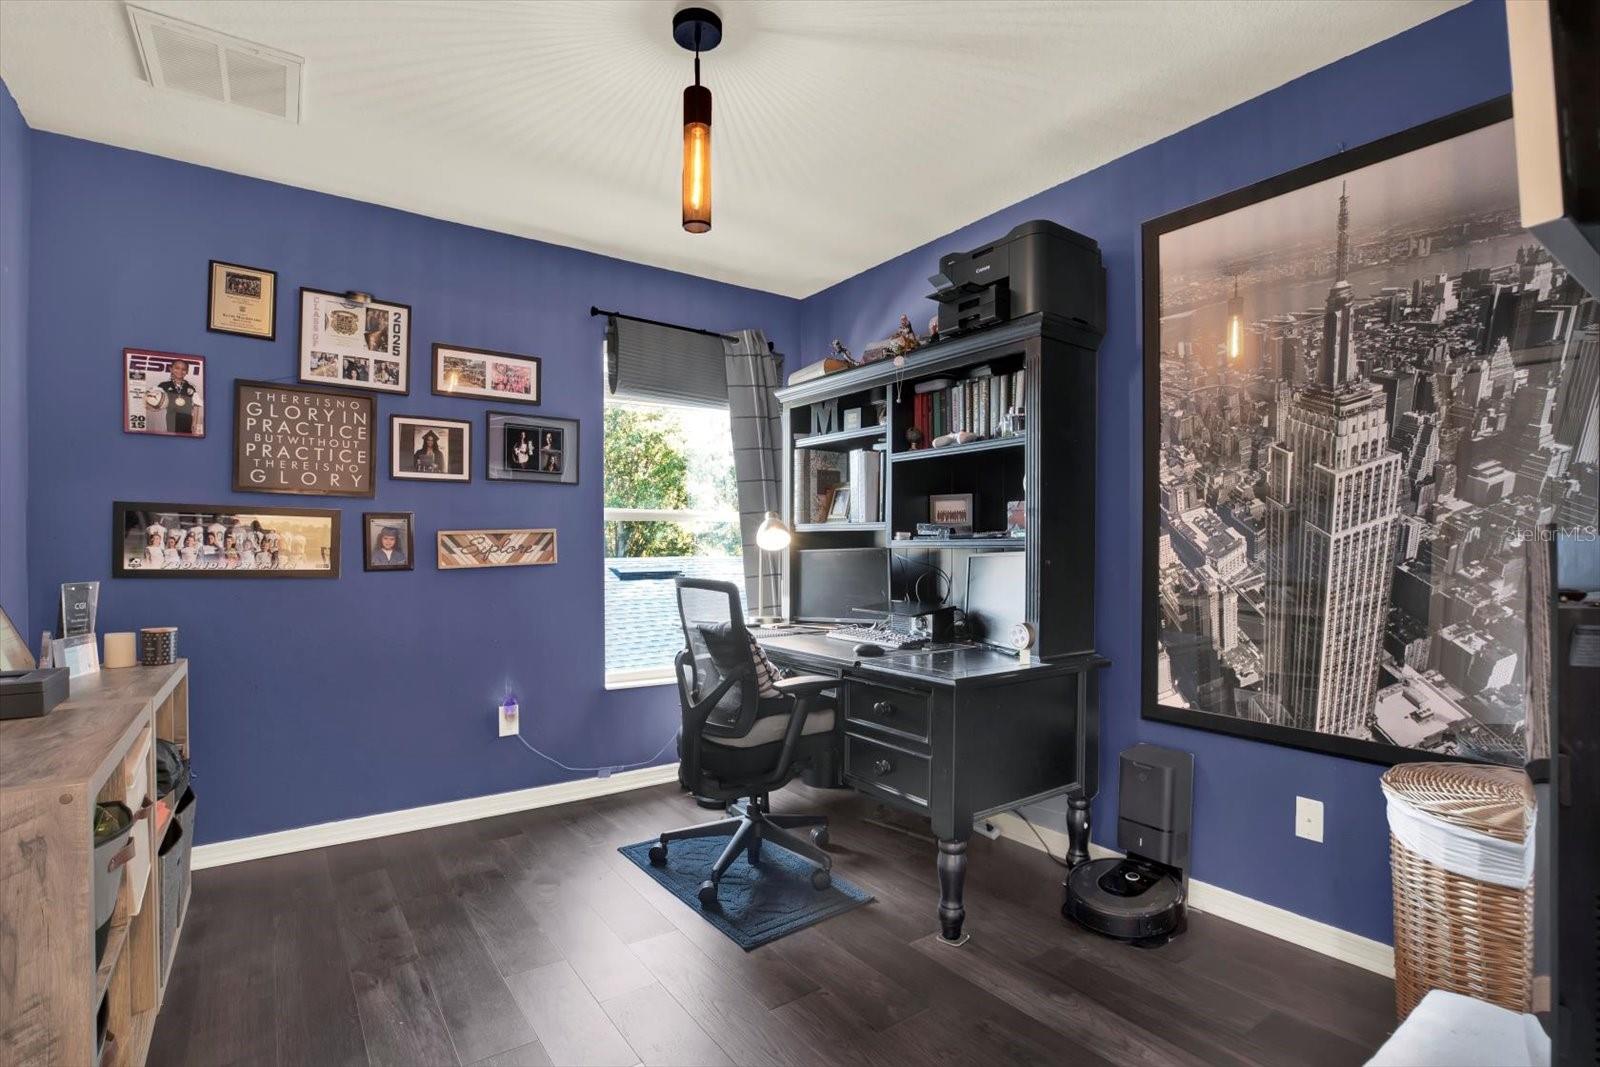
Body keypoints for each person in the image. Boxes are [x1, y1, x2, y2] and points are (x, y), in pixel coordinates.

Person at [157, 359, 199, 434]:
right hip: (171, 419)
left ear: (187, 371)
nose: (180, 371)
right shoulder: (163, 385)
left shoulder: (191, 387)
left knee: (186, 438)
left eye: (184, 369)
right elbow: (153, 399)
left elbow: (196, 405)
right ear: (171, 369)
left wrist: (194, 423)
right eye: (177, 368)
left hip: (187, 420)